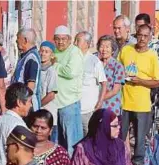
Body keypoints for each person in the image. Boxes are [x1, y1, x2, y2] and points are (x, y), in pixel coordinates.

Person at [119, 24, 159, 165]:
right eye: (140, 35)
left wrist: (140, 81)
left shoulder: (152, 55)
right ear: (135, 35)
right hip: (124, 101)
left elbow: (157, 82)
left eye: (145, 36)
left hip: (141, 103)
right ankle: (119, 160)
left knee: (140, 136)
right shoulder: (126, 50)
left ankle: (138, 161)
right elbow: (117, 69)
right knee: (120, 133)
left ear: (150, 37)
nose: (142, 39)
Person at [53, 25, 84, 155]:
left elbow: (70, 72)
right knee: (59, 143)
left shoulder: (74, 52)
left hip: (69, 103)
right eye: (57, 39)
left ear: (70, 39)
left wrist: (55, 65)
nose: (60, 42)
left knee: (72, 143)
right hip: (56, 104)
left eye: (64, 39)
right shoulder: (54, 51)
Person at [74, 31, 107, 135]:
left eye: (77, 41)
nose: (74, 43)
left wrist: (100, 101)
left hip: (88, 110)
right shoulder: (72, 59)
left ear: (87, 44)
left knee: (90, 138)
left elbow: (104, 83)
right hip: (73, 109)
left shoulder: (94, 61)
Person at [12, 28, 41, 112]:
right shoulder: (25, 56)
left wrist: (25, 104)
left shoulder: (31, 58)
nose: (16, 42)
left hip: (26, 105)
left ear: (25, 40)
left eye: (18, 39)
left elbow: (31, 85)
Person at [97, 35, 125, 117]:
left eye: (107, 47)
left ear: (113, 50)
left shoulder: (118, 66)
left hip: (110, 107)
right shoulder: (95, 63)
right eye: (101, 46)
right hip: (93, 106)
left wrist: (99, 100)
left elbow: (115, 90)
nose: (104, 50)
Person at [38, 41, 59, 142]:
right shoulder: (37, 69)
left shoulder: (51, 71)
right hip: (38, 115)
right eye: (41, 51)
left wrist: (38, 105)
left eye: (46, 52)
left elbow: (51, 95)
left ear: (51, 55)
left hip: (48, 114)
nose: (43, 54)